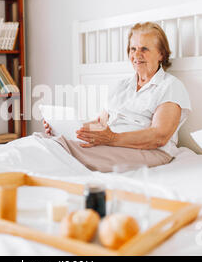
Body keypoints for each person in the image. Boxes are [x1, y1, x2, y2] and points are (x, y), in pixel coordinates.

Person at [43, 22, 191, 173]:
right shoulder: (121, 86)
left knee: (60, 149)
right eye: (133, 49)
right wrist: (70, 129)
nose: (137, 55)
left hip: (151, 151)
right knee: (48, 141)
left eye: (144, 49)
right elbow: (101, 124)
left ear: (161, 54)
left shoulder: (170, 86)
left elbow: (159, 136)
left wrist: (112, 139)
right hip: (113, 144)